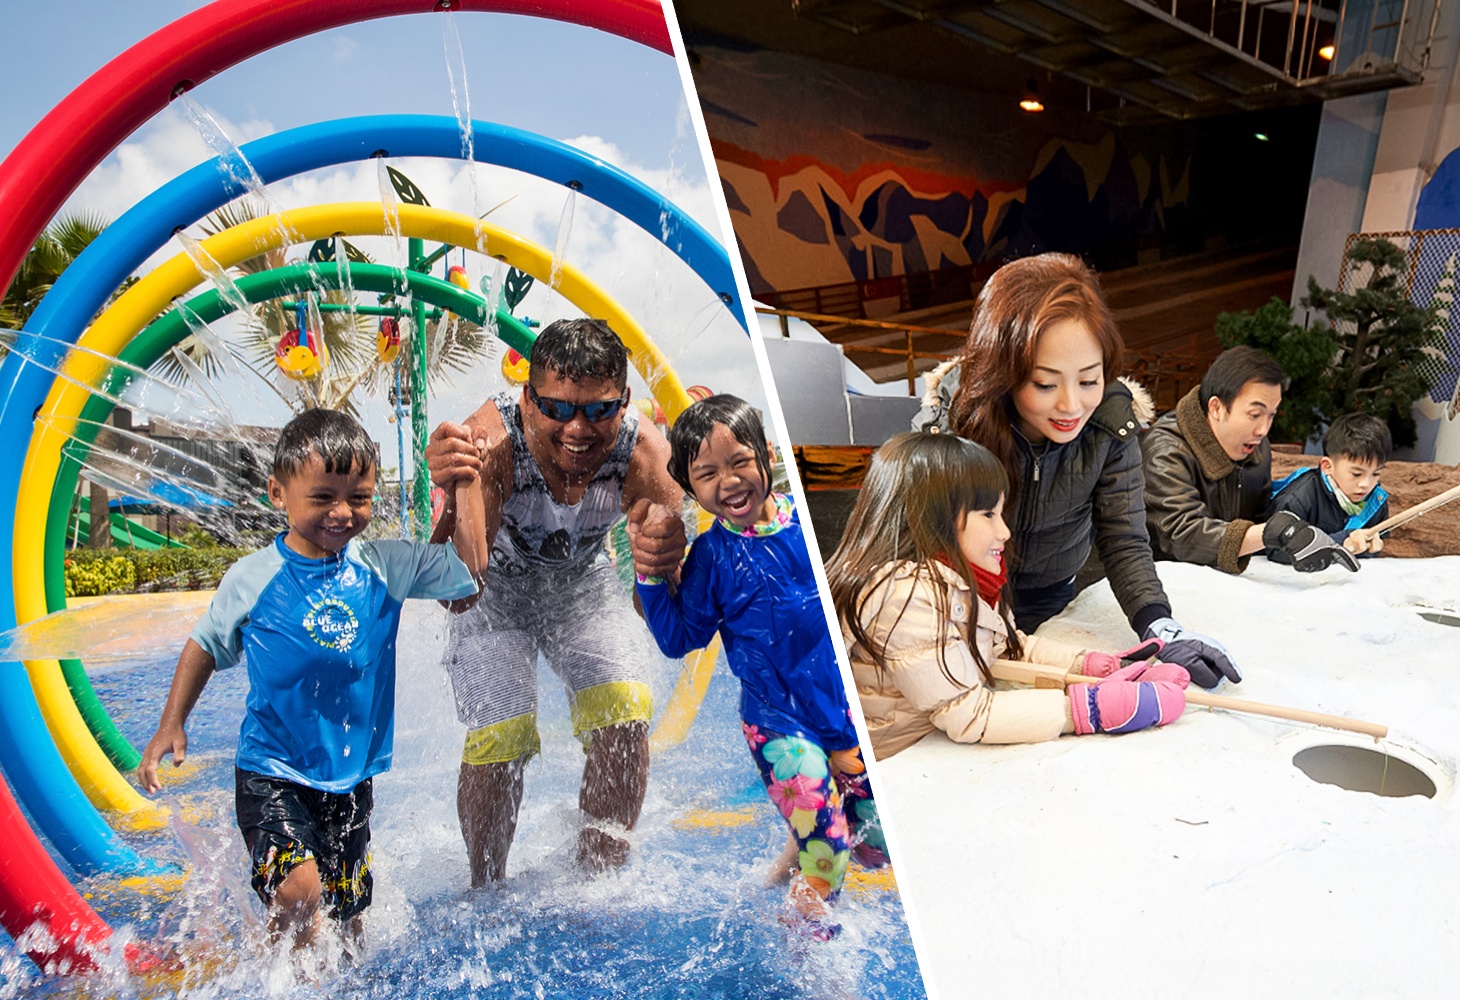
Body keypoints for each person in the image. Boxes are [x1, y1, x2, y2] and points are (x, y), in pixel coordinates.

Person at [137, 409, 483, 950]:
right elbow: (204, 643)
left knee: (348, 917)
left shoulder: (384, 566)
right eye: (323, 498)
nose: (343, 513)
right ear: (279, 492)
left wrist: (463, 485)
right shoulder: (253, 576)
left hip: (348, 776)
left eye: (360, 498)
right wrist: (171, 723)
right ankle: (282, 979)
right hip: (270, 771)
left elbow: (465, 574)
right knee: (300, 895)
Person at [425, 318, 687, 884]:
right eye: (557, 408)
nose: (577, 429)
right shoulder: (488, 446)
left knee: (624, 706)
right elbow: (461, 594)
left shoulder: (646, 458)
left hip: (581, 583)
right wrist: (450, 498)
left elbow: (665, 623)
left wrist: (663, 566)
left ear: (624, 402)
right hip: (495, 592)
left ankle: (601, 882)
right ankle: (486, 886)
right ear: (526, 399)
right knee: (503, 732)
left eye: (598, 410)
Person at [627, 394, 887, 937]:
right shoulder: (712, 558)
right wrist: (651, 577)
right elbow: (679, 639)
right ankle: (811, 954)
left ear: (766, 454)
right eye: (707, 473)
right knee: (830, 851)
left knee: (875, 846)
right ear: (689, 485)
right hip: (776, 723)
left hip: (839, 715)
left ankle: (790, 861)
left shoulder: (806, 529)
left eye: (740, 461)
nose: (729, 481)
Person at [917, 252, 1239, 689]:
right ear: (1002, 371)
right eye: (1045, 384)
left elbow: (1124, 538)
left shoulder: (1110, 425)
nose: (1071, 405)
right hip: (959, 598)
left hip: (1052, 593)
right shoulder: (953, 426)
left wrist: (1159, 626)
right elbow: (917, 540)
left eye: (1089, 380)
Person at [828, 432, 1190, 762]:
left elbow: (1007, 645)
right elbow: (969, 716)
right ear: (928, 516)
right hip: (888, 760)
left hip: (929, 743)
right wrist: (1089, 709)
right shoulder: (904, 595)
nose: (1004, 531)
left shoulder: (968, 580)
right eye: (988, 514)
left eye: (1002, 513)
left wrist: (1096, 667)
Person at [1143, 345, 1358, 575]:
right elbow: (1182, 534)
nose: (1263, 430)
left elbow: (1263, 519)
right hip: (1162, 585)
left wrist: (1335, 533)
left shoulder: (1257, 450)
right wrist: (1271, 532)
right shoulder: (1166, 450)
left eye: (1271, 415)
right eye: (1255, 415)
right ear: (1216, 407)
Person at [1267, 412, 1392, 559]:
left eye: (1376, 474)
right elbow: (1275, 551)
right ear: (1327, 466)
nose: (1366, 484)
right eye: (1357, 474)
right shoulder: (1299, 497)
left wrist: (1371, 547)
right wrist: (1341, 542)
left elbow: (1374, 550)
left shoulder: (1376, 500)